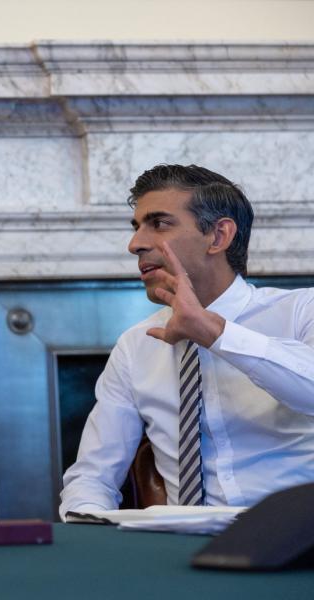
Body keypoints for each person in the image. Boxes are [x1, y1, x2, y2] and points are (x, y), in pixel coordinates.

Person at [59, 164, 314, 518]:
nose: (135, 244)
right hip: (180, 550)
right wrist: (86, 526)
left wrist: (213, 332)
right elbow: (92, 478)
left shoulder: (301, 310)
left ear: (219, 236)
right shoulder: (136, 345)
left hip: (296, 544)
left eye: (159, 223)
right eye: (136, 227)